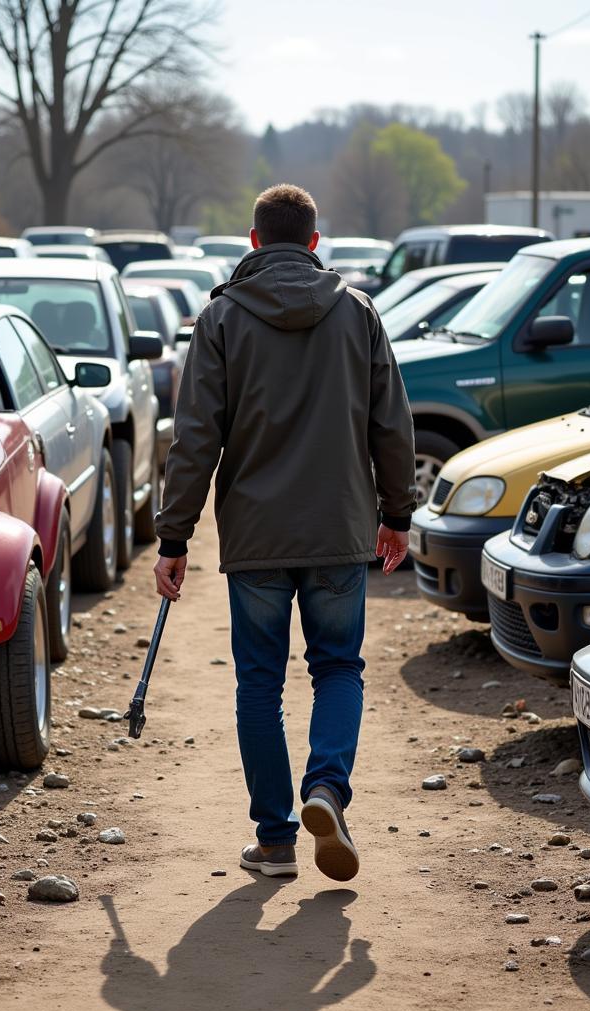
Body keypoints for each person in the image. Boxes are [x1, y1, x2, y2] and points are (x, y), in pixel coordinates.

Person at [153, 183, 416, 883]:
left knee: (259, 685)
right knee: (337, 668)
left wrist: (173, 537)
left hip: (258, 535)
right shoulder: (358, 313)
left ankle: (275, 841)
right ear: (314, 243)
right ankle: (326, 789)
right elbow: (391, 422)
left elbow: (195, 438)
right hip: (340, 528)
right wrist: (399, 514)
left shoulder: (221, 320)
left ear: (252, 242)